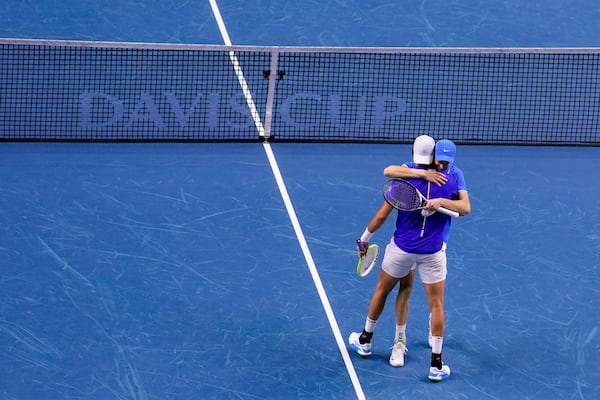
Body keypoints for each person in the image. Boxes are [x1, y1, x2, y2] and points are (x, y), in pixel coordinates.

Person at [349, 137, 471, 382]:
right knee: (436, 305)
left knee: (382, 291)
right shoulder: (452, 180)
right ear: (435, 155)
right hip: (433, 252)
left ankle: (365, 340)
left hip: (402, 249)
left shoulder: (403, 179)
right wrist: (442, 199)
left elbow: (382, 215)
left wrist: (364, 239)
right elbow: (465, 208)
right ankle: (435, 365)